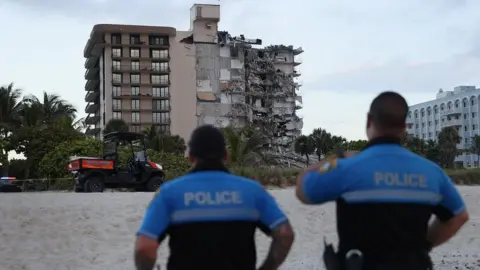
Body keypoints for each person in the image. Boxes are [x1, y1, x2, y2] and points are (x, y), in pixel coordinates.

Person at [295, 91, 469, 270]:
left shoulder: (347, 168)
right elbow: (459, 216)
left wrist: (338, 157)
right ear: (404, 127)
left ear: (369, 121)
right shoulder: (432, 172)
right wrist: (423, 246)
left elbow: (303, 190)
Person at [134, 125, 294, 270]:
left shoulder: (168, 193)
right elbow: (285, 234)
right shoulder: (252, 191)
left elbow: (144, 247)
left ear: (190, 156)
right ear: (226, 155)